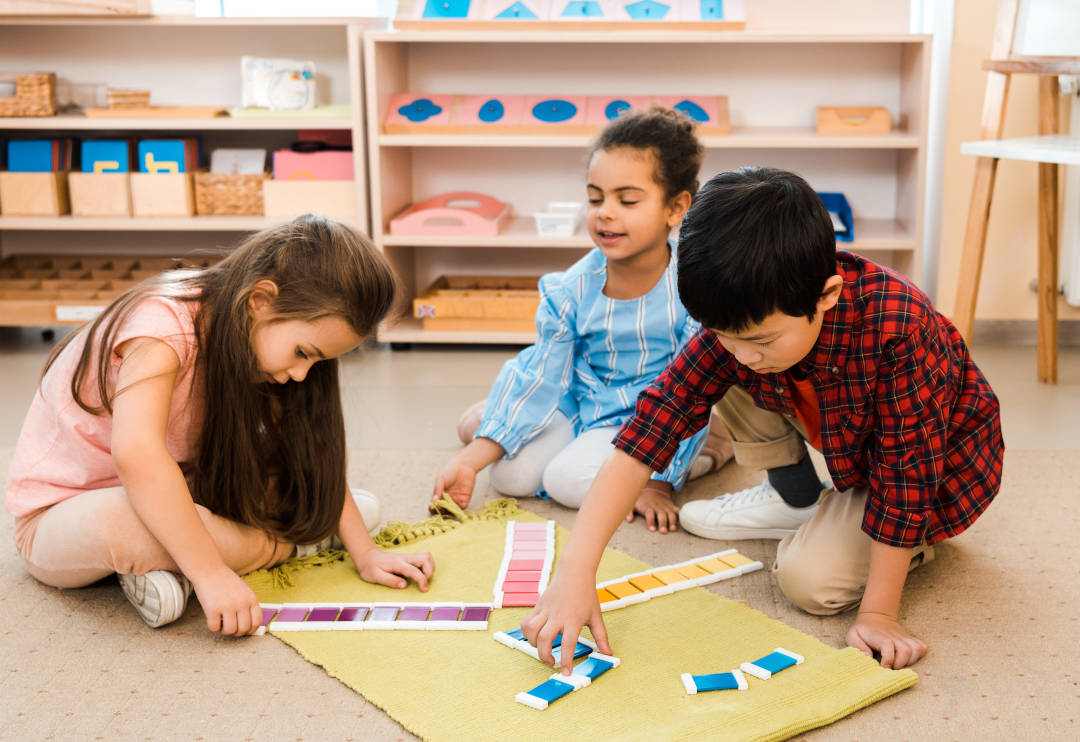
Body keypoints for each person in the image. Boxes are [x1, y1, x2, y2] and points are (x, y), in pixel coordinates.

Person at [521, 167, 1004, 671]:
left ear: (827, 296)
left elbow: (907, 477)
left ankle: (913, 542)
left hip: (935, 472)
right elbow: (652, 427)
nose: (743, 354)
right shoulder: (745, 325)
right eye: (724, 335)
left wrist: (879, 614)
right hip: (841, 434)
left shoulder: (900, 327)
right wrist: (575, 573)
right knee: (716, 369)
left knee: (808, 582)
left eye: (760, 339)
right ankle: (794, 498)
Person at [6, 215, 435, 635]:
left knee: (292, 481)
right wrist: (211, 574)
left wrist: (366, 553)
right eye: (304, 353)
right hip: (59, 516)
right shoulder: (162, 330)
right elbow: (138, 458)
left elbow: (311, 451)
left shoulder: (255, 339)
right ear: (259, 300)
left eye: (318, 361)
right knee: (119, 523)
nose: (303, 374)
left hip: (178, 488)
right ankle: (293, 544)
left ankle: (176, 567)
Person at [433, 106, 730, 532]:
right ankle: (503, 423)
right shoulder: (570, 288)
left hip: (648, 419)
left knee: (565, 482)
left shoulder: (692, 290)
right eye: (595, 198)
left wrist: (657, 483)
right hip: (580, 401)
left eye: (627, 200)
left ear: (676, 207)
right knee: (510, 477)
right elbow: (541, 374)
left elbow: (689, 392)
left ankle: (711, 449)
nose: (604, 212)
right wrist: (469, 460)